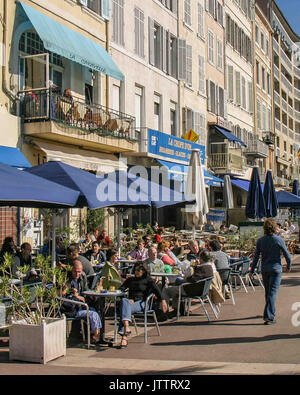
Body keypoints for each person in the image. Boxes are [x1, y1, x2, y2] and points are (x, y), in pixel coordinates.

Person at [249, 218, 292, 325]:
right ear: (275, 227)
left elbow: (255, 257)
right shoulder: (279, 240)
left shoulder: (261, 241)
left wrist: (252, 270)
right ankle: (269, 316)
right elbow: (287, 255)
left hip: (265, 269)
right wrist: (288, 266)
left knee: (268, 292)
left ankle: (270, 311)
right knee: (272, 292)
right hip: (276, 268)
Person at [117, 262, 168, 348]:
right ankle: (126, 331)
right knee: (124, 302)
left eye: (138, 270)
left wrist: (163, 300)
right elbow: (121, 289)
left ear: (143, 271)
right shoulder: (131, 280)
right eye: (135, 270)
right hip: (130, 303)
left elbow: (157, 291)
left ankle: (125, 333)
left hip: (143, 303)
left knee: (124, 308)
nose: (136, 272)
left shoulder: (148, 280)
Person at [161, 249, 214, 315]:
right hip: (202, 290)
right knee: (176, 287)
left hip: (192, 290)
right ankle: (178, 310)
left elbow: (193, 279)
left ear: (201, 259)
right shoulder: (209, 267)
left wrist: (186, 278)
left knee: (166, 290)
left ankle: (164, 312)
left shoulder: (202, 268)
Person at [61, 261, 101, 343]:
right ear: (71, 270)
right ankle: (95, 336)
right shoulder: (67, 279)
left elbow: (85, 290)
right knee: (93, 314)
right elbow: (62, 293)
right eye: (75, 271)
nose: (77, 274)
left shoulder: (82, 278)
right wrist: (73, 293)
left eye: (79, 272)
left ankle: (92, 334)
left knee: (95, 309)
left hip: (79, 306)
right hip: (71, 309)